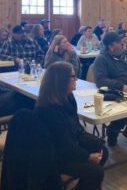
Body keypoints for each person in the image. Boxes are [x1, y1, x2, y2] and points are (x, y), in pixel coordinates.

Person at [36, 62, 107, 190]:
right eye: (73, 77)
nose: (76, 80)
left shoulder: (68, 97)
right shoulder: (48, 109)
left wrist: (92, 141)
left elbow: (75, 128)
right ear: (61, 81)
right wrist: (87, 156)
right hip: (54, 155)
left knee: (102, 150)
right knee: (95, 171)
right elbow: (63, 144)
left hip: (68, 145)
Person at [92, 32, 127, 146]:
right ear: (111, 46)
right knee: (126, 108)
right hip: (119, 93)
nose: (123, 44)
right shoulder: (102, 59)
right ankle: (113, 131)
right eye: (120, 43)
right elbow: (100, 81)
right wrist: (121, 86)